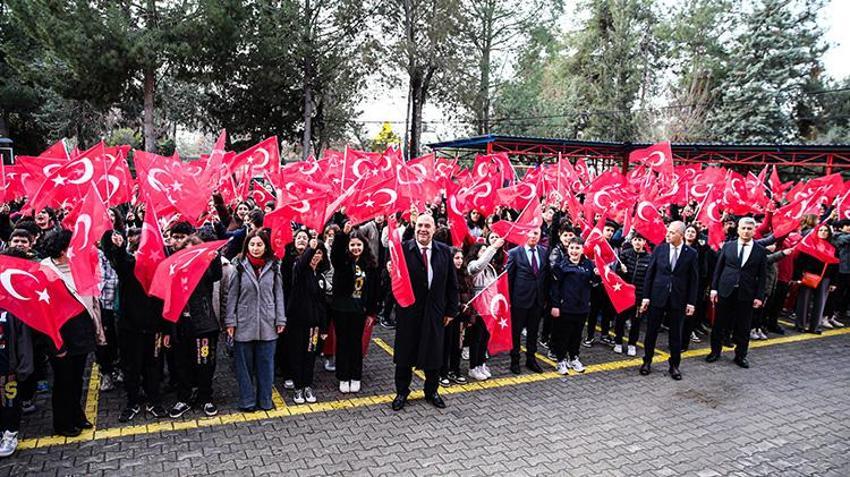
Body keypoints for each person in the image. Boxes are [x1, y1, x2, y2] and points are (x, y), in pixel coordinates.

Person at [40, 229, 105, 437]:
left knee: (77, 378)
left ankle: (77, 415)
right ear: (61, 249)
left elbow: (92, 298)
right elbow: (44, 313)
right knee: (63, 380)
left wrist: (98, 329)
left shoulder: (80, 265)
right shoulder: (45, 270)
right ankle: (62, 423)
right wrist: (54, 345)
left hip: (82, 329)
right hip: (60, 334)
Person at [391, 214, 459, 411]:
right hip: (409, 312)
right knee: (405, 355)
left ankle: (431, 391)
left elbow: (451, 285)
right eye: (420, 225)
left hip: (435, 313)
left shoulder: (445, 251)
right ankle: (402, 392)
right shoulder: (403, 250)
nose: (423, 229)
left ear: (434, 229)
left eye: (427, 226)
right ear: (415, 226)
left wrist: (451, 311)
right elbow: (392, 282)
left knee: (434, 355)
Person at [102, 230, 170, 422]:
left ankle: (155, 401)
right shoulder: (129, 266)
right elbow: (117, 258)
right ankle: (132, 402)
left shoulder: (161, 270)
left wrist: (165, 329)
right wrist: (116, 243)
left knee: (154, 366)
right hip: (129, 328)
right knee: (131, 367)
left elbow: (165, 302)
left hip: (155, 328)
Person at [225, 230, 286, 412]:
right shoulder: (239, 266)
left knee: (266, 367)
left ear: (266, 246)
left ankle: (265, 401)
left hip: (268, 323)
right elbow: (232, 296)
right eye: (252, 244)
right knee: (244, 368)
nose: (256, 248)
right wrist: (230, 321)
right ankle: (247, 401)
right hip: (244, 323)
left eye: (259, 244)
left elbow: (278, 295)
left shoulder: (274, 266)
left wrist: (280, 318)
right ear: (247, 246)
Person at [168, 231, 224, 418]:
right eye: (187, 252)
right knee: (182, 364)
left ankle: (206, 398)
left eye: (195, 252)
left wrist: (214, 258)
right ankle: (184, 398)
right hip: (181, 324)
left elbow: (216, 274)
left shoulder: (204, 270)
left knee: (205, 363)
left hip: (204, 325)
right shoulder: (174, 272)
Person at [638, 222, 699, 380]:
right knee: (651, 331)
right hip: (658, 297)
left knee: (676, 334)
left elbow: (694, 280)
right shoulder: (660, 249)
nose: (668, 235)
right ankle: (647, 361)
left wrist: (691, 302)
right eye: (668, 232)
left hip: (678, 300)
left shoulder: (691, 253)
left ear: (681, 235)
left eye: (672, 233)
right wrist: (646, 297)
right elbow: (650, 274)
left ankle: (674, 365)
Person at [707, 217, 768, 368]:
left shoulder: (760, 251)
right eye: (743, 228)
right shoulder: (728, 246)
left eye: (749, 229)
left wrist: (759, 296)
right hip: (725, 290)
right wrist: (714, 289)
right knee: (719, 324)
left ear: (754, 231)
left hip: (746, 294)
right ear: (738, 229)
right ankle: (715, 351)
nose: (746, 231)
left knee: (743, 326)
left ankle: (741, 355)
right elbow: (718, 269)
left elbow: (762, 276)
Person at [330, 223, 378, 394]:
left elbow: (374, 291)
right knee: (342, 343)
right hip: (341, 309)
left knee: (356, 344)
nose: (356, 248)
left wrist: (372, 312)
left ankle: (355, 376)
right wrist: (343, 234)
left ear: (364, 246)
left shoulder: (370, 265)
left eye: (359, 244)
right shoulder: (342, 262)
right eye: (353, 245)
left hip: (359, 310)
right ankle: (343, 376)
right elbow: (335, 253)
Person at [0, 248, 34, 458]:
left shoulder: (12, 305)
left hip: (8, 366)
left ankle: (10, 433)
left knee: (10, 402)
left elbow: (23, 339)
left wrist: (24, 366)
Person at [286, 238, 329, 404]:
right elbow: (303, 263)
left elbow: (322, 305)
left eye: (319, 253)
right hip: (297, 323)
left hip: (314, 326)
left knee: (310, 355)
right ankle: (298, 388)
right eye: (313, 253)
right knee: (297, 355)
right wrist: (310, 249)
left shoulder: (319, 277)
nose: (315, 256)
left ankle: (307, 385)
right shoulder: (299, 269)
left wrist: (324, 328)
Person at [549, 238, 597, 374]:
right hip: (565, 307)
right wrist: (555, 305)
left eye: (577, 248)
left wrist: (598, 276)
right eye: (571, 248)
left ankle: (574, 357)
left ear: (582, 249)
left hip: (582, 307)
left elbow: (593, 283)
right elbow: (555, 287)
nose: (574, 251)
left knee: (577, 335)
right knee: (563, 335)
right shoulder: (561, 265)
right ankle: (560, 360)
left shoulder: (588, 264)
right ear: (567, 249)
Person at [506, 228, 548, 374]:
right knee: (516, 332)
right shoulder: (515, 253)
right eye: (529, 233)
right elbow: (509, 279)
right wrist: (509, 300)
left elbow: (545, 276)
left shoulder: (544, 252)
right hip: (519, 301)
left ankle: (531, 359)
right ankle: (515, 360)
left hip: (537, 300)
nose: (532, 236)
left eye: (536, 233)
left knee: (533, 331)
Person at [465, 239, 504, 381]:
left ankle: (481, 363)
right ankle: (473, 367)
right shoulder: (472, 265)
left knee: (485, 338)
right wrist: (493, 247)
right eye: (482, 250)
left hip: (490, 307)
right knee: (476, 338)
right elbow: (479, 264)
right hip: (479, 307)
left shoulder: (491, 268)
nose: (485, 253)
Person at [792, 224, 836, 334]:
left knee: (820, 303)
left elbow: (836, 266)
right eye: (820, 230)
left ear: (829, 233)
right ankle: (800, 325)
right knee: (804, 301)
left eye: (826, 230)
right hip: (808, 276)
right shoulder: (808, 244)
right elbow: (799, 262)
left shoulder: (833, 247)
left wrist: (834, 282)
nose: (823, 232)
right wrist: (797, 277)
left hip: (825, 278)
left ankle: (815, 327)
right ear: (816, 232)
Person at [614, 233, 651, 356]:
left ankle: (632, 344)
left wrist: (645, 297)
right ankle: (618, 341)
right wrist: (621, 271)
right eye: (635, 240)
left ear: (644, 242)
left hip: (638, 296)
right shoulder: (625, 254)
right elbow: (616, 275)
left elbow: (649, 280)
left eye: (640, 240)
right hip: (624, 295)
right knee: (620, 320)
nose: (637, 242)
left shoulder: (649, 258)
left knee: (636, 322)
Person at [440, 247, 471, 386]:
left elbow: (468, 294)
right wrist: (457, 305)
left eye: (460, 258)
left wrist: (466, 307)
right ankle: (443, 373)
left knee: (458, 345)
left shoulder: (465, 275)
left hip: (461, 318)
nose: (459, 261)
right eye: (456, 258)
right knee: (446, 345)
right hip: (448, 316)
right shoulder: (444, 274)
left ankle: (455, 370)